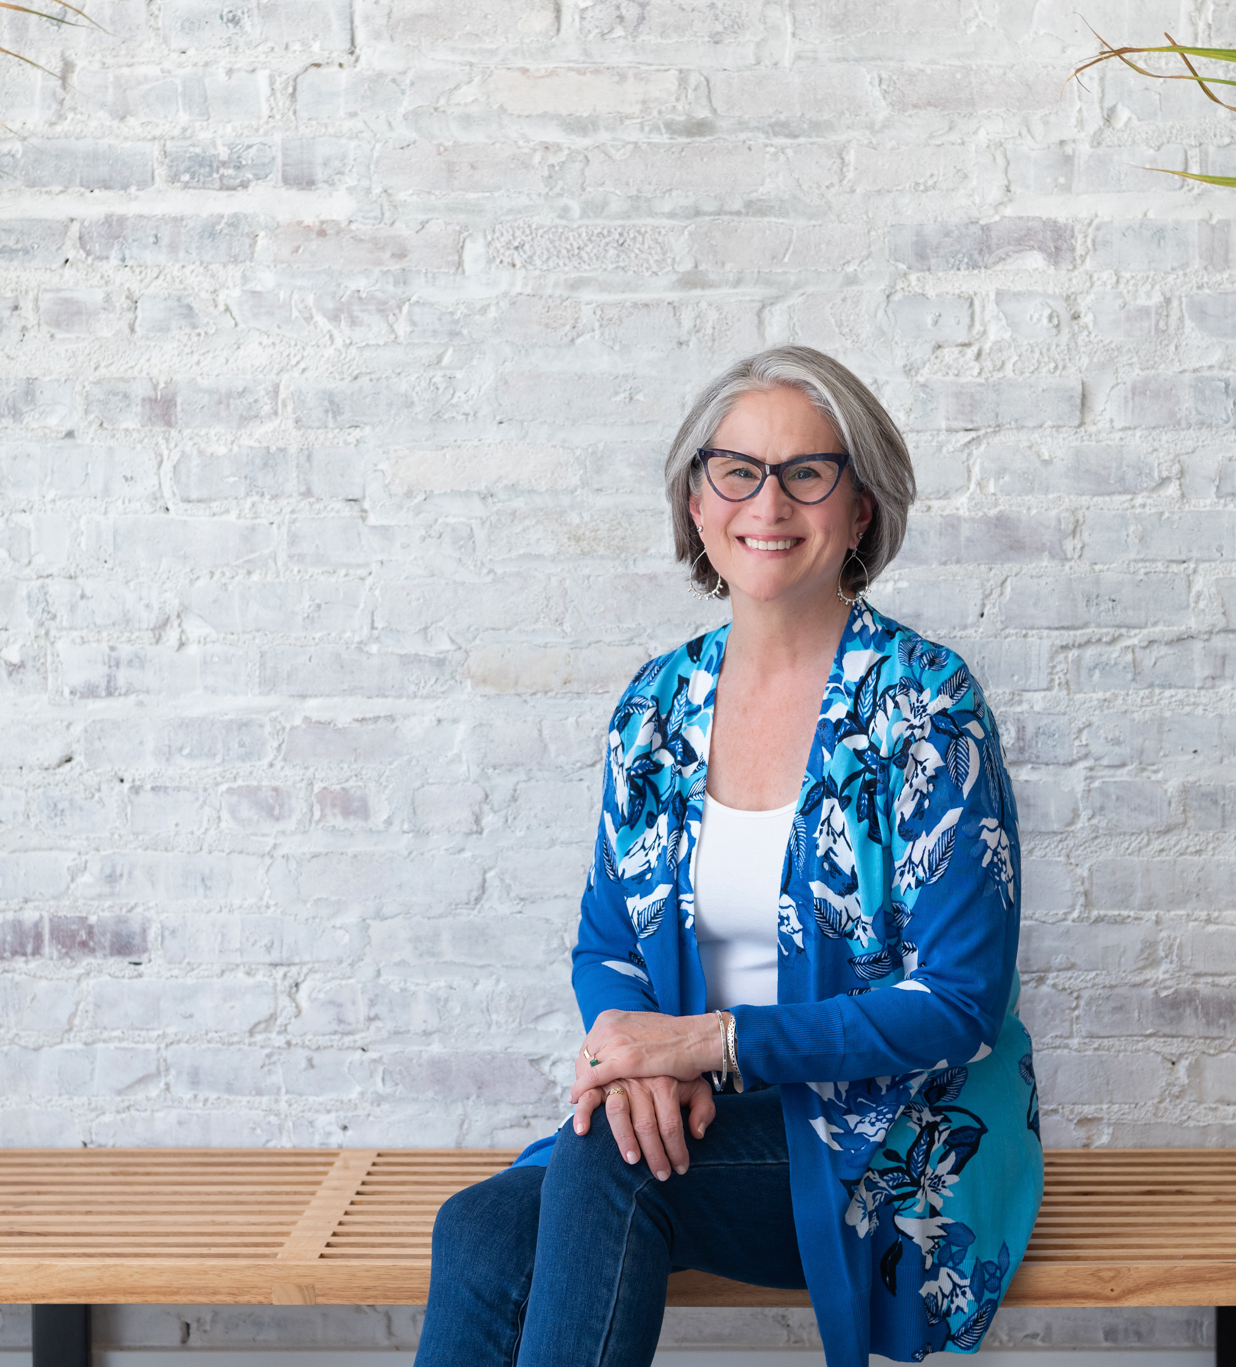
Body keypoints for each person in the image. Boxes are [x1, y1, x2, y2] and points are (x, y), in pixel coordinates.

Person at [415, 346, 1042, 1367]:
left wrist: (706, 1044)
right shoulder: (656, 705)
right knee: (478, 1226)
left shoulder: (925, 705)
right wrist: (637, 1063)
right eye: (736, 469)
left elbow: (958, 1002)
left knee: (598, 1168)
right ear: (696, 502)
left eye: (808, 471)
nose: (770, 499)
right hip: (704, 1114)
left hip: (889, 1140)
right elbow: (607, 940)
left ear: (861, 508)